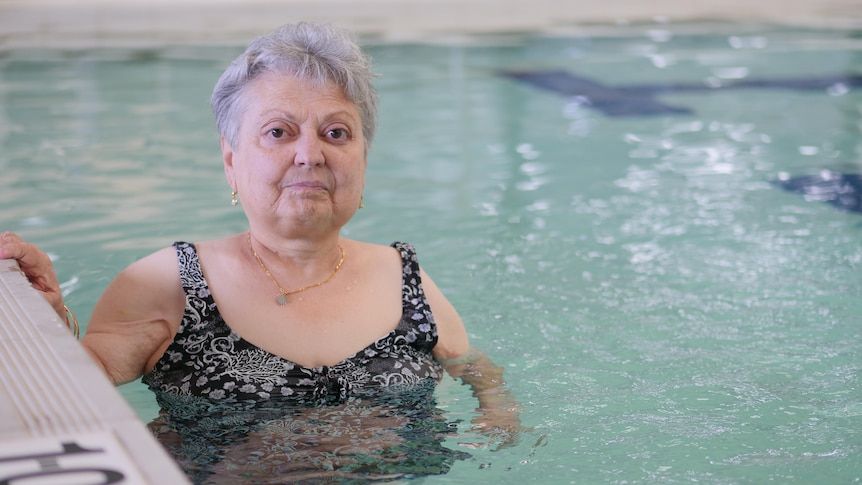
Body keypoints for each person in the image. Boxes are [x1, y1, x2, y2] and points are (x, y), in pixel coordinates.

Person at [0, 22, 521, 481]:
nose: (309, 154)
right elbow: (71, 391)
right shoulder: (167, 285)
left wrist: (496, 412)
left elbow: (472, 364)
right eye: (278, 132)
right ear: (231, 161)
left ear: (363, 160)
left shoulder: (406, 278)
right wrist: (49, 322)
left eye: (336, 133)